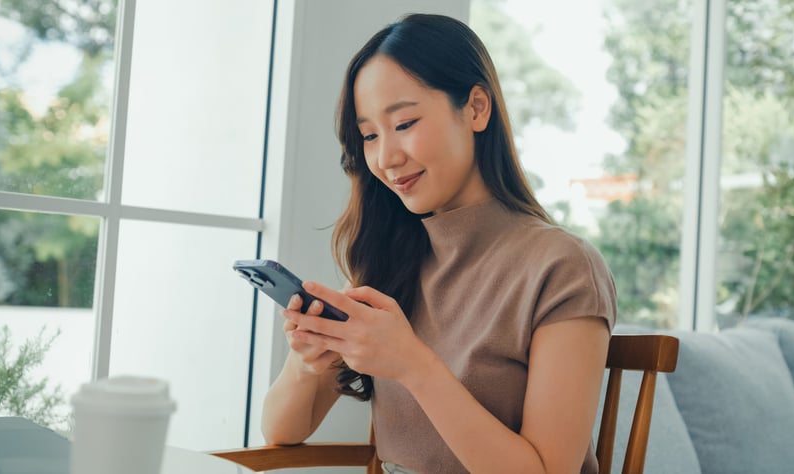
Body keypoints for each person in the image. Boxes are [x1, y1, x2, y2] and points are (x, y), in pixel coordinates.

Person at [260, 12, 616, 474]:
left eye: (404, 123)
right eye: (369, 135)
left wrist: (412, 364)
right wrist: (307, 362)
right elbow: (281, 431)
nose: (386, 158)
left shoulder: (562, 267)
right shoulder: (388, 262)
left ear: (476, 108)